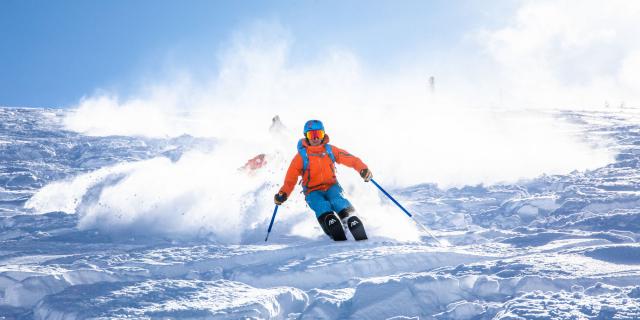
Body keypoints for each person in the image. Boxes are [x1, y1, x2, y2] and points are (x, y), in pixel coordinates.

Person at [274, 120, 372, 241]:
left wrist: (362, 169)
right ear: (306, 136)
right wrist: (283, 193)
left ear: (323, 135)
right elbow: (290, 178)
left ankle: (351, 219)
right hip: (312, 191)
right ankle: (330, 223)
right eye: (311, 135)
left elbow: (350, 159)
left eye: (318, 134)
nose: (315, 138)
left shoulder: (330, 150)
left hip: (332, 186)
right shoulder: (301, 156)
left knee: (338, 200)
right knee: (321, 205)